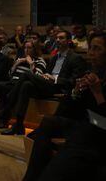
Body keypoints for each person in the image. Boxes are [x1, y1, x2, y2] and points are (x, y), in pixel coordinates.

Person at [23, 33, 106, 181]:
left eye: (97, 49)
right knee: (49, 122)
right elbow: (74, 107)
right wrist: (76, 92)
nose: (91, 53)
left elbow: (102, 122)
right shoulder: (92, 72)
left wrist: (98, 94)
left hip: (98, 130)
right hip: (85, 122)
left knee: (80, 134)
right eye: (90, 48)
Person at [0, 30, 87, 135]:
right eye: (57, 38)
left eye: (61, 38)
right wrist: (45, 76)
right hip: (47, 84)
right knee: (26, 85)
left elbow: (74, 81)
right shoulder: (54, 58)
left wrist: (55, 79)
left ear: (69, 41)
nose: (58, 40)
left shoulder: (75, 58)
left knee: (26, 75)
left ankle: (6, 110)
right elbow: (46, 73)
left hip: (59, 87)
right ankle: (18, 125)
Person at [0, 40, 46, 128]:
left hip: (22, 84)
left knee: (5, 90)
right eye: (25, 48)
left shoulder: (40, 61)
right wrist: (16, 64)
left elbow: (37, 77)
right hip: (12, 81)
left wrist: (31, 64)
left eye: (29, 48)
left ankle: (2, 118)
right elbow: (9, 74)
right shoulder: (20, 59)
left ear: (35, 49)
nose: (26, 50)